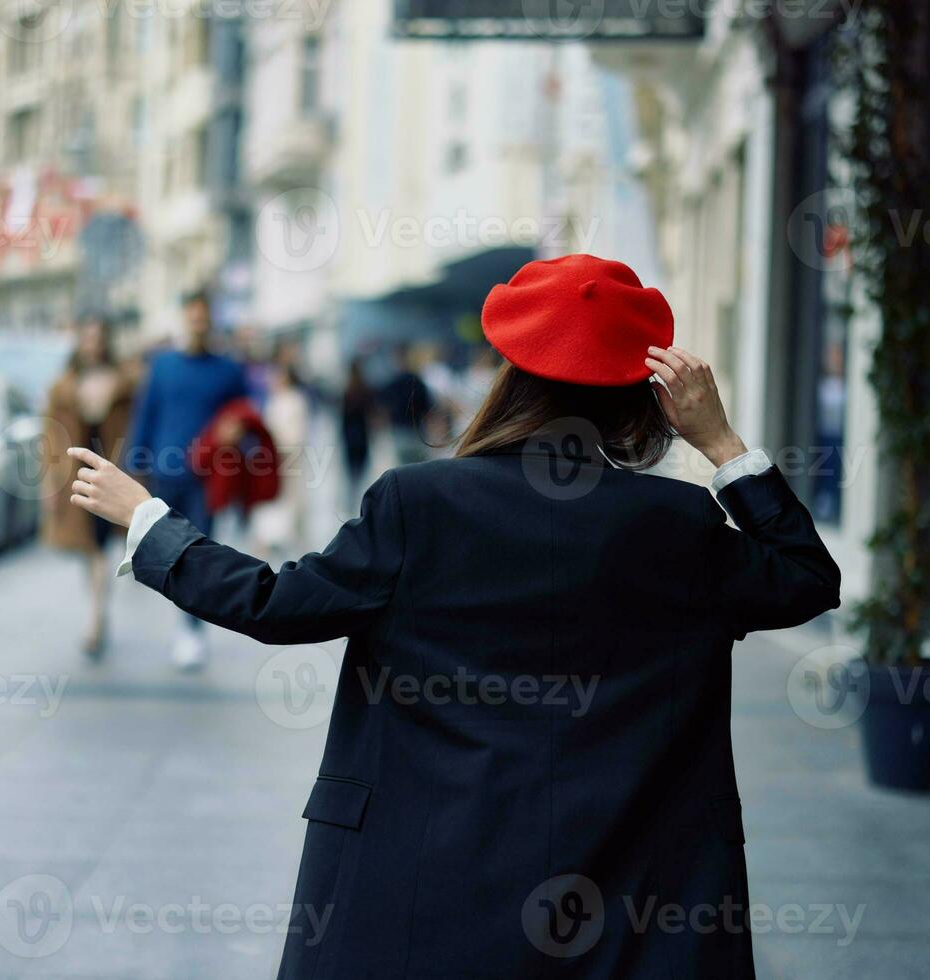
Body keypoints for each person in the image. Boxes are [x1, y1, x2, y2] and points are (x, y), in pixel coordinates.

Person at [70, 254, 840, 978]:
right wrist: (721, 443)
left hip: (423, 880)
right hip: (626, 896)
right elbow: (807, 578)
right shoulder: (677, 523)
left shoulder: (420, 503)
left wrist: (150, 525)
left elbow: (276, 604)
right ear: (639, 399)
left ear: (510, 377)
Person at [124, 289, 248, 671]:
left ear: (211, 320)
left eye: (203, 316)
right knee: (168, 551)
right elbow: (147, 413)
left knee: (198, 551)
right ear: (184, 318)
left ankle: (190, 628)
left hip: (208, 476)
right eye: (192, 315)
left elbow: (245, 415)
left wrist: (237, 432)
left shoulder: (228, 369)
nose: (198, 322)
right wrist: (135, 461)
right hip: (166, 472)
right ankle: (187, 622)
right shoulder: (162, 366)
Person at [42, 315, 135, 659]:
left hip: (112, 469)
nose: (93, 344)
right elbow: (49, 436)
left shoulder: (125, 381)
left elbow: (139, 426)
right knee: (90, 549)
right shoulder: (63, 386)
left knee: (99, 546)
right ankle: (97, 612)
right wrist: (50, 484)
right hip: (77, 472)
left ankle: (96, 616)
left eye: (98, 337)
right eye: (87, 337)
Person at [251, 357, 311, 561]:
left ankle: (291, 535)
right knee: (271, 497)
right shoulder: (274, 400)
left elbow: (296, 432)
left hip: (288, 456)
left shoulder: (295, 400)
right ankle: (267, 538)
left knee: (291, 497)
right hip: (272, 457)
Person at [378, 345, 434, 465]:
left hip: (400, 432)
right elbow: (429, 408)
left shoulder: (392, 383)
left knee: (403, 469)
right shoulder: (418, 382)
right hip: (418, 432)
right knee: (419, 468)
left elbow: (382, 407)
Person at [338, 357, 373, 509]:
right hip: (362, 436)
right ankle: (359, 497)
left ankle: (350, 499)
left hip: (349, 437)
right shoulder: (365, 390)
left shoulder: (346, 392)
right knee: (361, 469)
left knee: (350, 471)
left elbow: (343, 418)